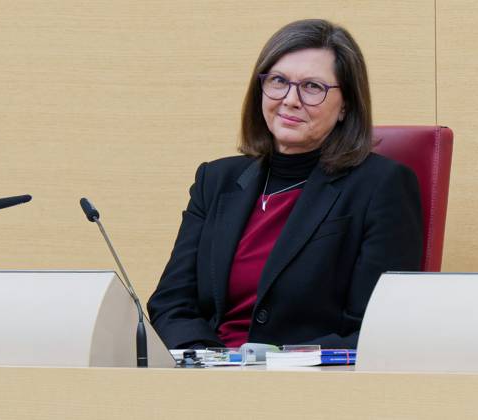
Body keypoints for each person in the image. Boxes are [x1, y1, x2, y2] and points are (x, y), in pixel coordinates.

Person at [147, 19, 423, 350]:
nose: (290, 100)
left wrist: (280, 362)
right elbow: (171, 304)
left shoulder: (382, 185)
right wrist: (214, 362)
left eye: (312, 87)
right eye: (279, 81)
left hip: (310, 385)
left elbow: (377, 328)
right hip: (207, 374)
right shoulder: (215, 180)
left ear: (345, 105)